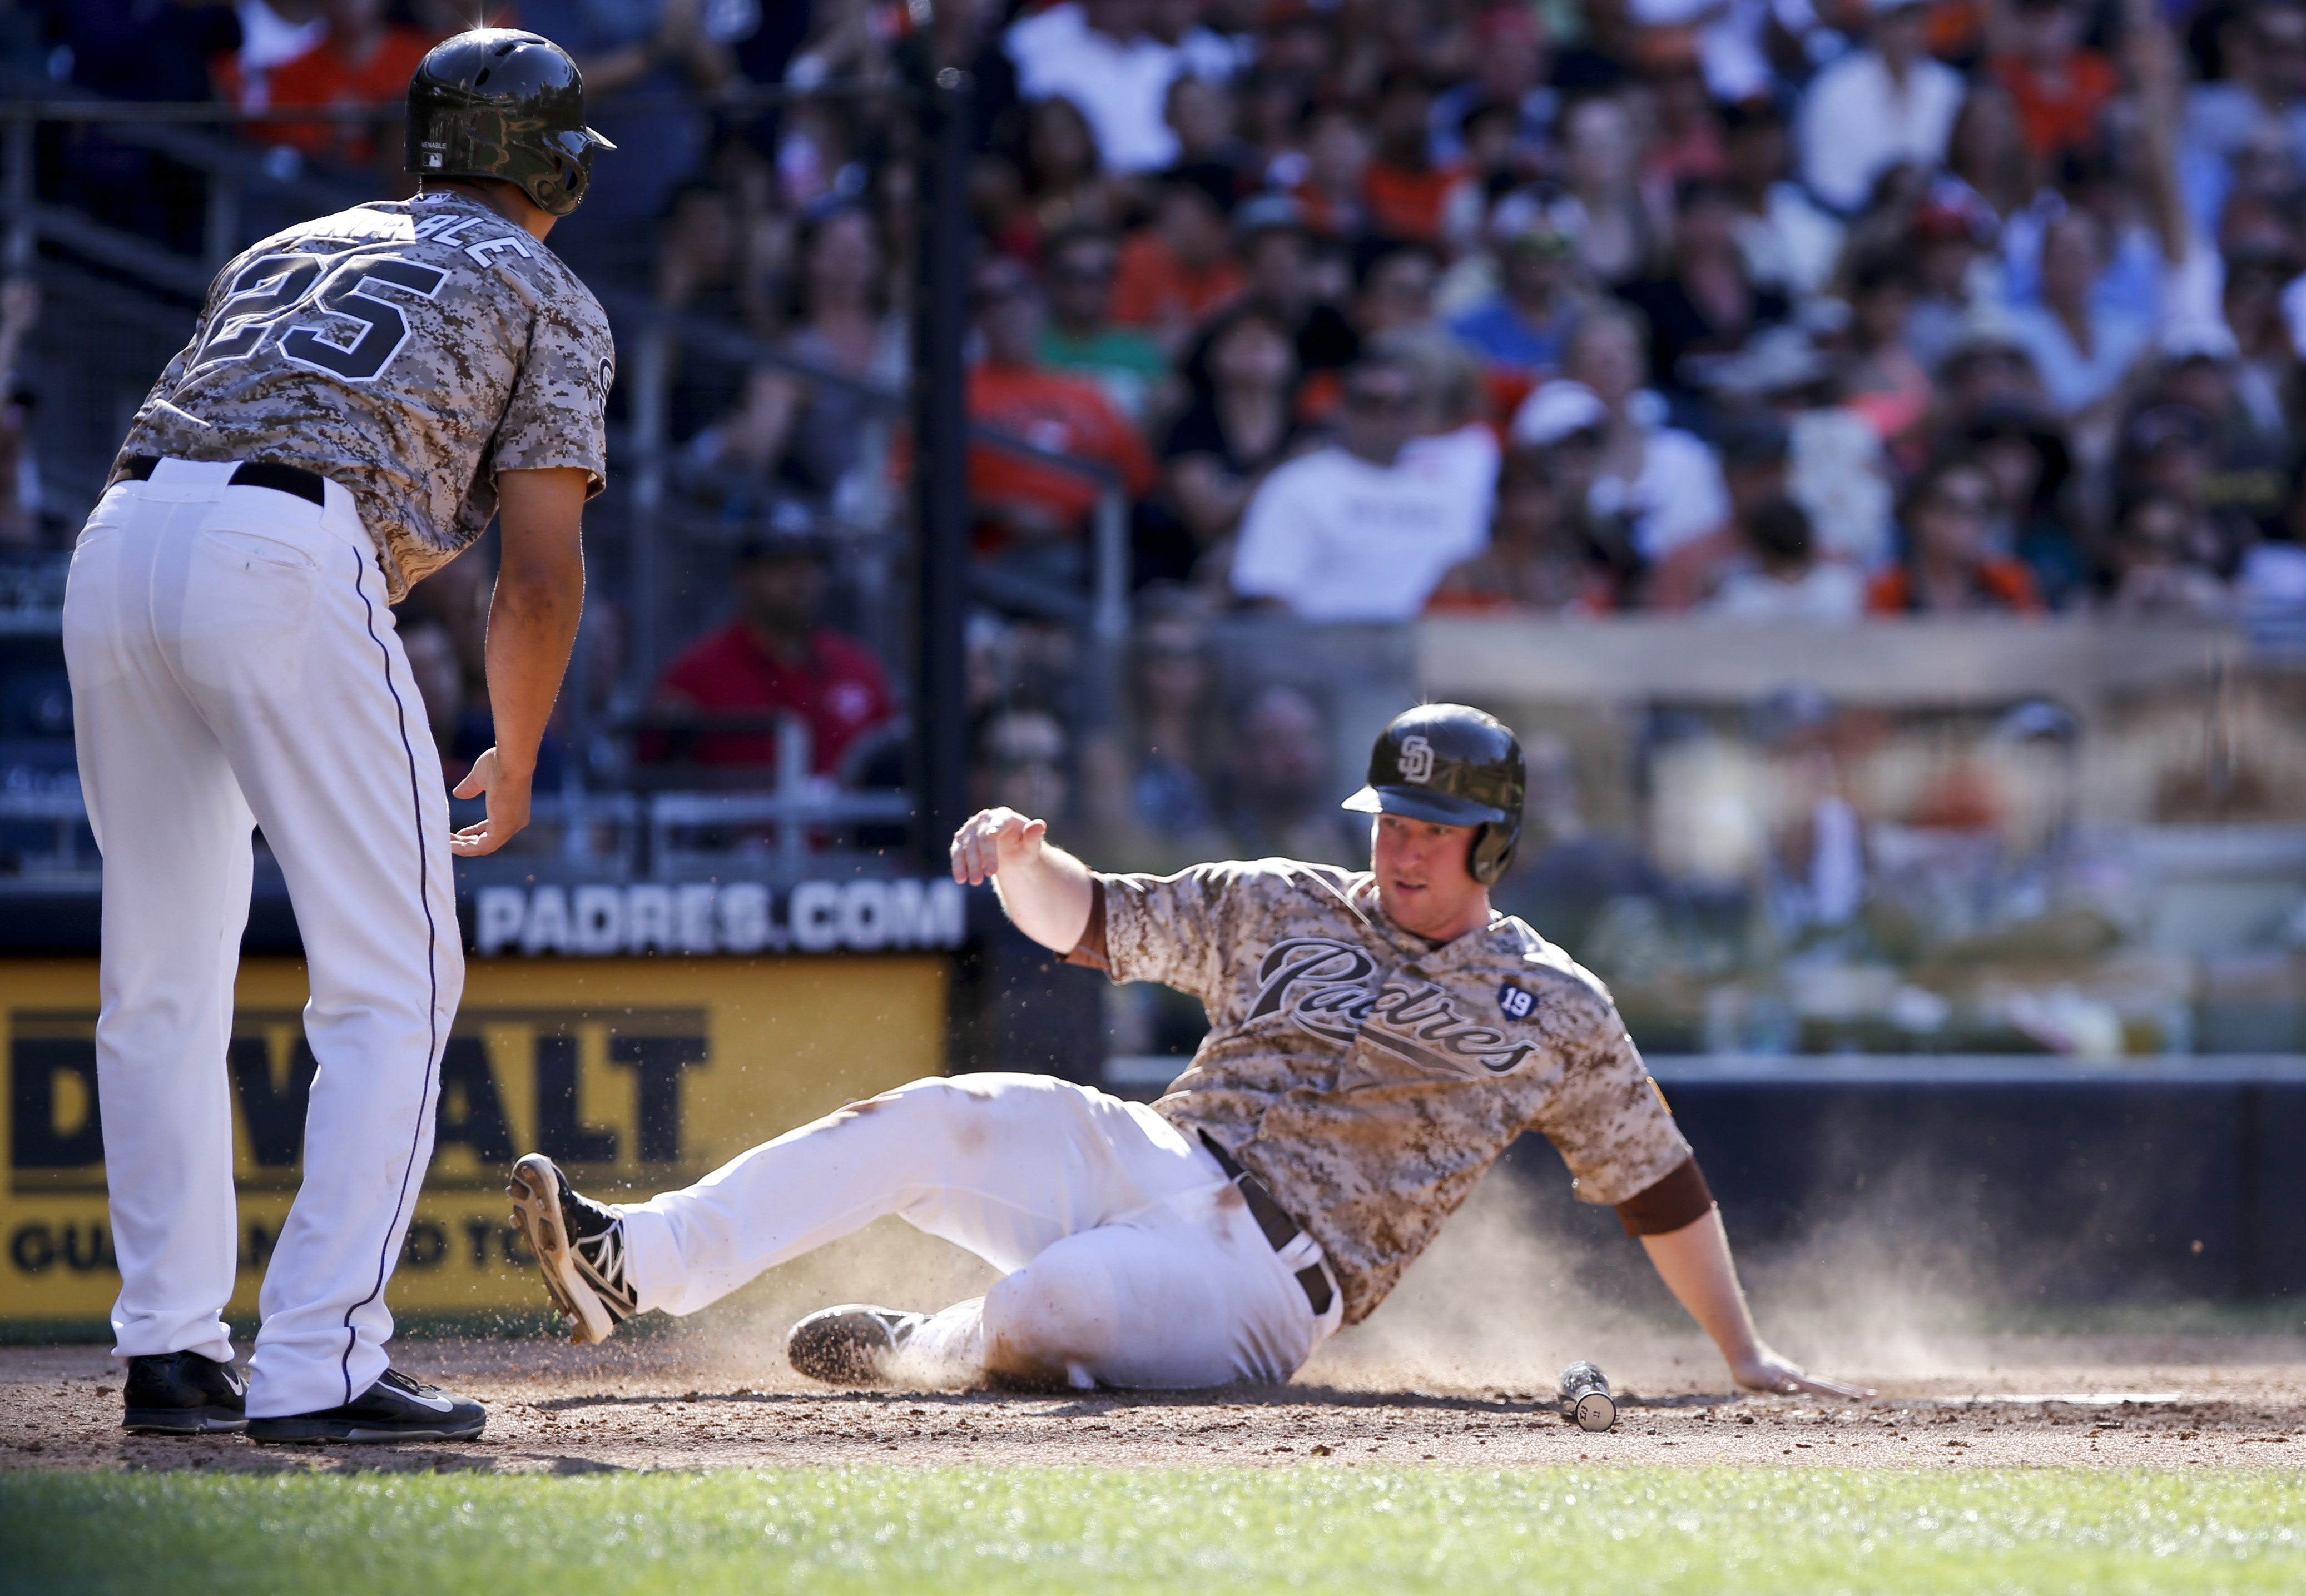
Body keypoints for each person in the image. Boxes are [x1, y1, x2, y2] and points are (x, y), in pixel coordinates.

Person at [507, 704, 1871, 1403]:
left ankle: (924, 1348)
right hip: (1158, 1151)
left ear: (1491, 845)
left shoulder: (1553, 1003)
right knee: (936, 1113)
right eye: (1387, 814)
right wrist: (1020, 862)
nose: (1395, 840)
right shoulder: (1284, 897)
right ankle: (643, 1259)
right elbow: (1096, 921)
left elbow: (1655, 1180)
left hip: (1271, 1281)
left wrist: (1741, 1351)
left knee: (1057, 1308)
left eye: (1427, 825)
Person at [68, 30, 610, 1444]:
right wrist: (519, 744)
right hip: (285, 555)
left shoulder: (289, 242)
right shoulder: (544, 284)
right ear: (548, 163)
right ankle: (322, 1357)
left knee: (159, 984)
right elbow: (540, 570)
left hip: (121, 538)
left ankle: (172, 1352)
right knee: (393, 981)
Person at [1229, 354, 1490, 619]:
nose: (1390, 416)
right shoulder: (1298, 485)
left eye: (1404, 405)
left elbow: (1465, 582)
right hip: (1325, 649)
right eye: (1373, 403)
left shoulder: (1448, 492)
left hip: (1428, 651)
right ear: (1341, 409)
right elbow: (1270, 592)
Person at [642, 525, 895, 776]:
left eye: (812, 564)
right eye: (781, 565)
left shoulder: (858, 667)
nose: (800, 579)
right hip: (743, 815)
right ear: (744, 577)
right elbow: (653, 773)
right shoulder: (696, 673)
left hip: (845, 816)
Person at [1797, 0, 1965, 216]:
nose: (1909, 31)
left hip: (1938, 224)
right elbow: (1826, 181)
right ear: (1877, 24)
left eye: (1916, 19)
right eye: (1900, 21)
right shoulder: (1831, 90)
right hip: (1855, 225)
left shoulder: (1949, 87)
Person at [1867, 455, 2045, 613]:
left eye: (1981, 509)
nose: (1969, 523)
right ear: (1919, 515)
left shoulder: (2009, 583)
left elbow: (2036, 640)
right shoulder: (1887, 590)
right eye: (1954, 508)